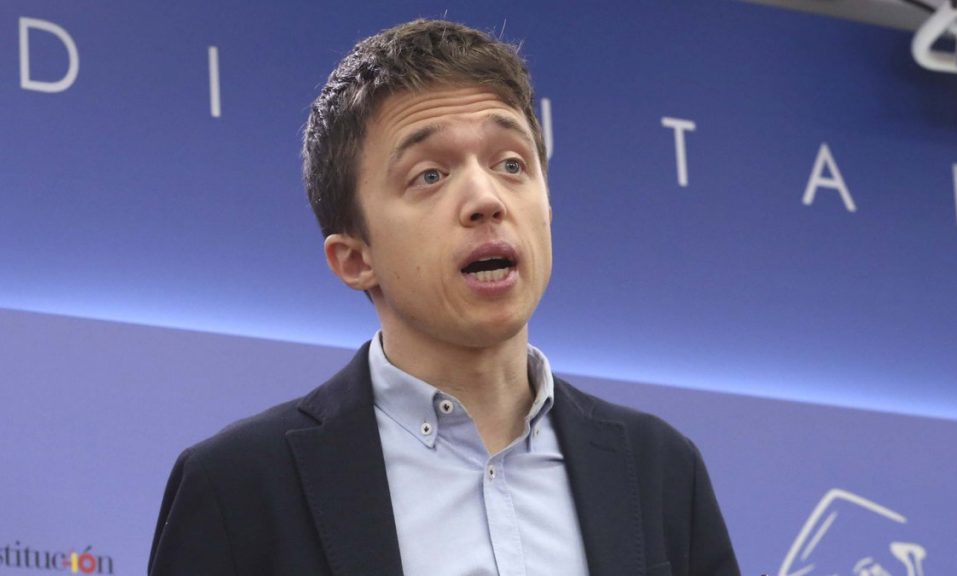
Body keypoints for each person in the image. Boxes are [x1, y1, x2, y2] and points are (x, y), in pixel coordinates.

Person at [148, 19, 740, 576]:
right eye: (429, 175)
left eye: (511, 164)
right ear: (355, 259)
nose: (487, 199)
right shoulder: (238, 486)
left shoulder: (661, 469)